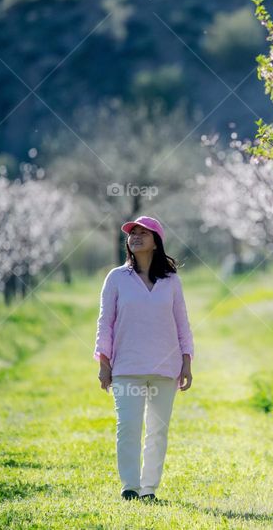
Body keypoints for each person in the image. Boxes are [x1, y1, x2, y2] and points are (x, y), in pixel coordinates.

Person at [93, 215, 194, 502]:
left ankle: (149, 489)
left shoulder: (171, 280)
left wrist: (187, 361)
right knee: (128, 427)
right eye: (132, 233)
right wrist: (104, 362)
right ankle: (130, 486)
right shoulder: (116, 278)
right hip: (127, 367)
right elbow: (105, 323)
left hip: (166, 368)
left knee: (157, 432)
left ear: (156, 241)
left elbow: (182, 323)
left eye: (142, 233)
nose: (135, 237)